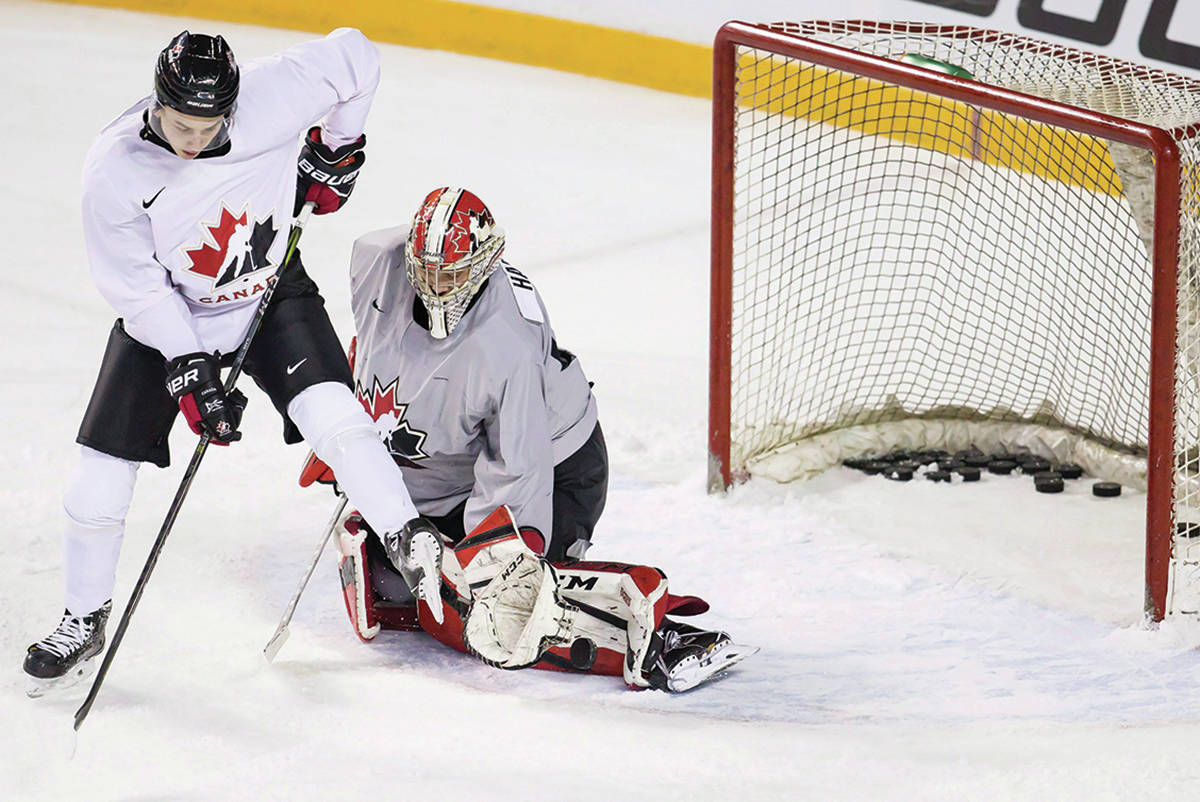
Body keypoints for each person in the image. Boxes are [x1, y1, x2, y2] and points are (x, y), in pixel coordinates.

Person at [23, 29, 434, 697]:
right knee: (98, 479)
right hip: (170, 315)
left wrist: (337, 149)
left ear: (233, 107)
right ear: (157, 104)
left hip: (270, 291)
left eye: (208, 126)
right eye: (180, 124)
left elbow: (358, 56)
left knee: (339, 420)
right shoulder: (115, 168)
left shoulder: (273, 95)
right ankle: (83, 616)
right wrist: (188, 365)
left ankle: (408, 536)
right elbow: (136, 288)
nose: (192, 139)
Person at [302, 188, 753, 690]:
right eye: (424, 270)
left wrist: (494, 560)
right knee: (413, 576)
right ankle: (405, 576)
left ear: (486, 262)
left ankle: (662, 633)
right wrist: (356, 431)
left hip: (558, 466)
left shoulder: (506, 343)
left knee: (501, 612)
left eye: (450, 276)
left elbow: (520, 464)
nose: (433, 287)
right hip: (461, 464)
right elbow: (372, 338)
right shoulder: (377, 258)